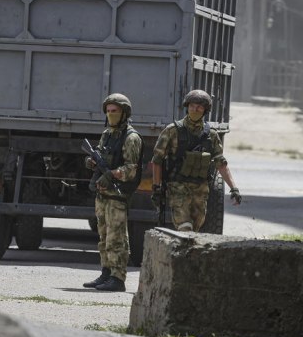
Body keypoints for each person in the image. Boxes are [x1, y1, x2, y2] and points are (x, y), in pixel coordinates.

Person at [150, 89, 242, 233]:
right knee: (185, 227)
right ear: (187, 107)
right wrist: (156, 187)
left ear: (205, 110)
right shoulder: (172, 131)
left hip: (200, 189)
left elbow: (221, 163)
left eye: (199, 107)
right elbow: (157, 160)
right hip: (178, 187)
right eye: (192, 106)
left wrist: (234, 188)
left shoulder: (211, 135)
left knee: (195, 228)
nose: (195, 110)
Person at [83, 94, 143, 292]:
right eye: (108, 111)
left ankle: (118, 278)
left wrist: (111, 175)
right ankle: (106, 272)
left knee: (116, 238)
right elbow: (101, 155)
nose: (110, 114)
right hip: (103, 195)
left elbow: (130, 169)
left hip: (118, 195)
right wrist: (92, 162)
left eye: (114, 111)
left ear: (124, 113)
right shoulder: (107, 134)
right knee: (104, 236)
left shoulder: (131, 138)